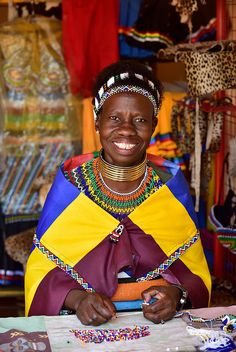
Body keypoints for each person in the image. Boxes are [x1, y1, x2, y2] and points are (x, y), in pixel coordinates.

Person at [25, 60, 211, 326]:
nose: (126, 129)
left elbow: (193, 271)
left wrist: (177, 294)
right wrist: (77, 300)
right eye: (114, 118)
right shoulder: (71, 184)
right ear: (97, 120)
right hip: (82, 327)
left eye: (140, 120)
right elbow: (40, 271)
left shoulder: (170, 185)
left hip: (161, 329)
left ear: (154, 125)